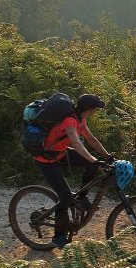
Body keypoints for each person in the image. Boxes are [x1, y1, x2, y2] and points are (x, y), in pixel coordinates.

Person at [33, 93, 113, 246]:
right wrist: (94, 160)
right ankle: (58, 236)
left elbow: (91, 139)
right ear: (87, 108)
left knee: (91, 166)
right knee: (65, 197)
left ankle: (82, 197)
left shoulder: (80, 120)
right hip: (46, 159)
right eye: (95, 108)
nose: (96, 111)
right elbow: (76, 144)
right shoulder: (70, 121)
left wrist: (107, 156)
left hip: (60, 153)